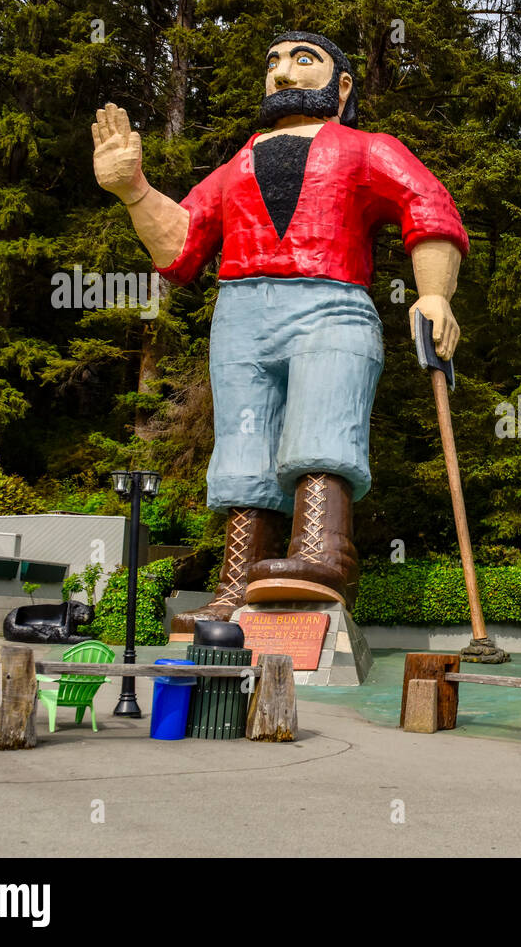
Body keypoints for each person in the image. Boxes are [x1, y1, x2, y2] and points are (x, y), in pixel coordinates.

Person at [91, 31, 469, 631]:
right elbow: (183, 246)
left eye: (302, 60)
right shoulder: (236, 165)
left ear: (341, 85)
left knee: (323, 420)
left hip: (332, 302)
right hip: (240, 311)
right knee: (242, 445)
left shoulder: (368, 149)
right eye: (273, 62)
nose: (282, 73)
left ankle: (323, 552)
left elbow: (427, 207)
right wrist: (133, 191)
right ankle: (236, 579)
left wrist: (433, 294)